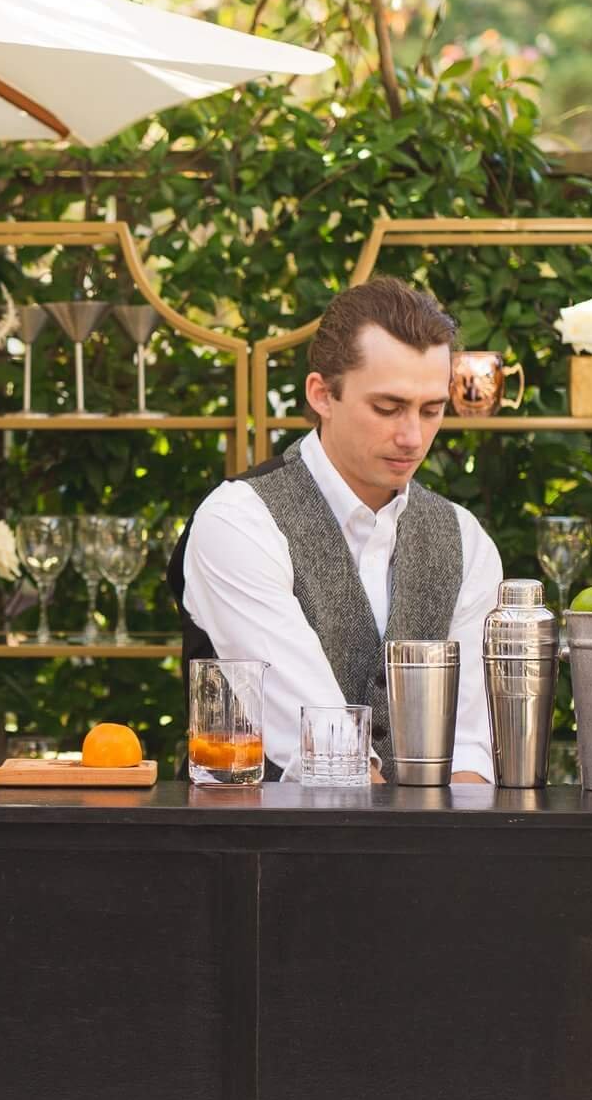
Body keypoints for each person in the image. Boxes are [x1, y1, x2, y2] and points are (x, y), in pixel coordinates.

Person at [168, 277, 502, 782]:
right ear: (322, 395)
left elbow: (471, 751)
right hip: (261, 853)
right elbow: (325, 752)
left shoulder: (465, 540)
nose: (412, 437)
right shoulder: (237, 522)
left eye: (431, 411)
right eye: (387, 408)